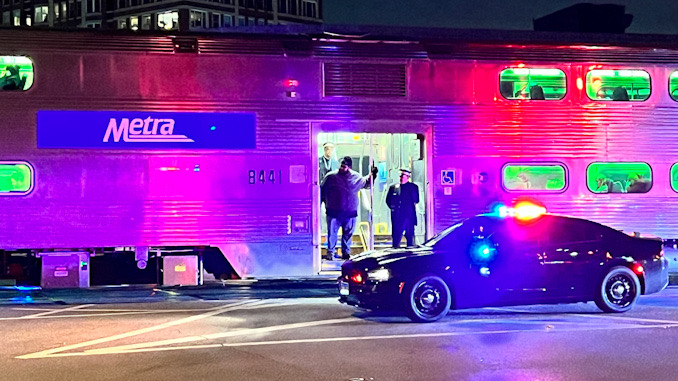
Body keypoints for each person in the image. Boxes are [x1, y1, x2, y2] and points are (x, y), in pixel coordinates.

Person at [321, 156, 378, 260]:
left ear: (349, 167)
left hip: (348, 212)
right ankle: (331, 253)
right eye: (341, 166)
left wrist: (372, 175)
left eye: (344, 166)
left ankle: (345, 253)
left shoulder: (355, 177)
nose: (342, 168)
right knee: (332, 234)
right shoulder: (331, 177)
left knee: (347, 234)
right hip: (334, 211)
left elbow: (366, 183)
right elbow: (321, 191)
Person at [386, 169, 420, 248]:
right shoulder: (394, 188)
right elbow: (388, 200)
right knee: (396, 241)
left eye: (403, 176)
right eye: (400, 176)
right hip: (398, 218)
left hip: (409, 218)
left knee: (410, 241)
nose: (401, 178)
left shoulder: (413, 187)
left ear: (407, 177)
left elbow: (416, 200)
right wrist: (394, 210)